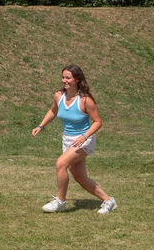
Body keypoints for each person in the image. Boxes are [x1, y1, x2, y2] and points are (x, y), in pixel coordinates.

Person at [31, 65, 117, 214]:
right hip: (67, 140)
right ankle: (109, 201)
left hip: (84, 140)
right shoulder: (59, 96)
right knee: (80, 177)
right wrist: (41, 125)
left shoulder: (85, 100)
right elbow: (53, 111)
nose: (64, 80)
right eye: (63, 77)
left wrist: (84, 136)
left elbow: (97, 122)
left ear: (77, 79)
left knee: (60, 164)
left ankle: (60, 201)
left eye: (68, 78)